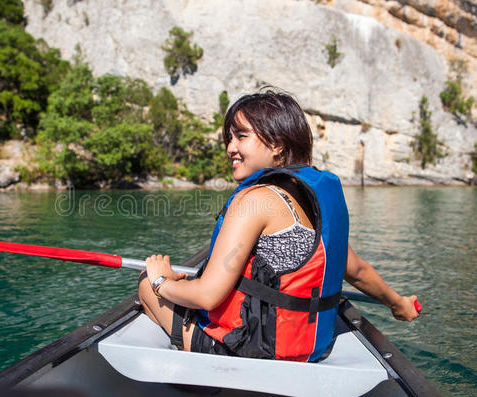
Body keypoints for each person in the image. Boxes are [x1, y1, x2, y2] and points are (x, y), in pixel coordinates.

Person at [138, 89, 419, 362]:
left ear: (277, 145)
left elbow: (208, 296)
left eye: (241, 136)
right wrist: (397, 302)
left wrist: (161, 280)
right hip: (308, 351)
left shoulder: (256, 199)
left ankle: (194, 366)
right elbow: (356, 270)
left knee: (145, 286)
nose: (230, 148)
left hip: (249, 352)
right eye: (229, 138)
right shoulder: (311, 197)